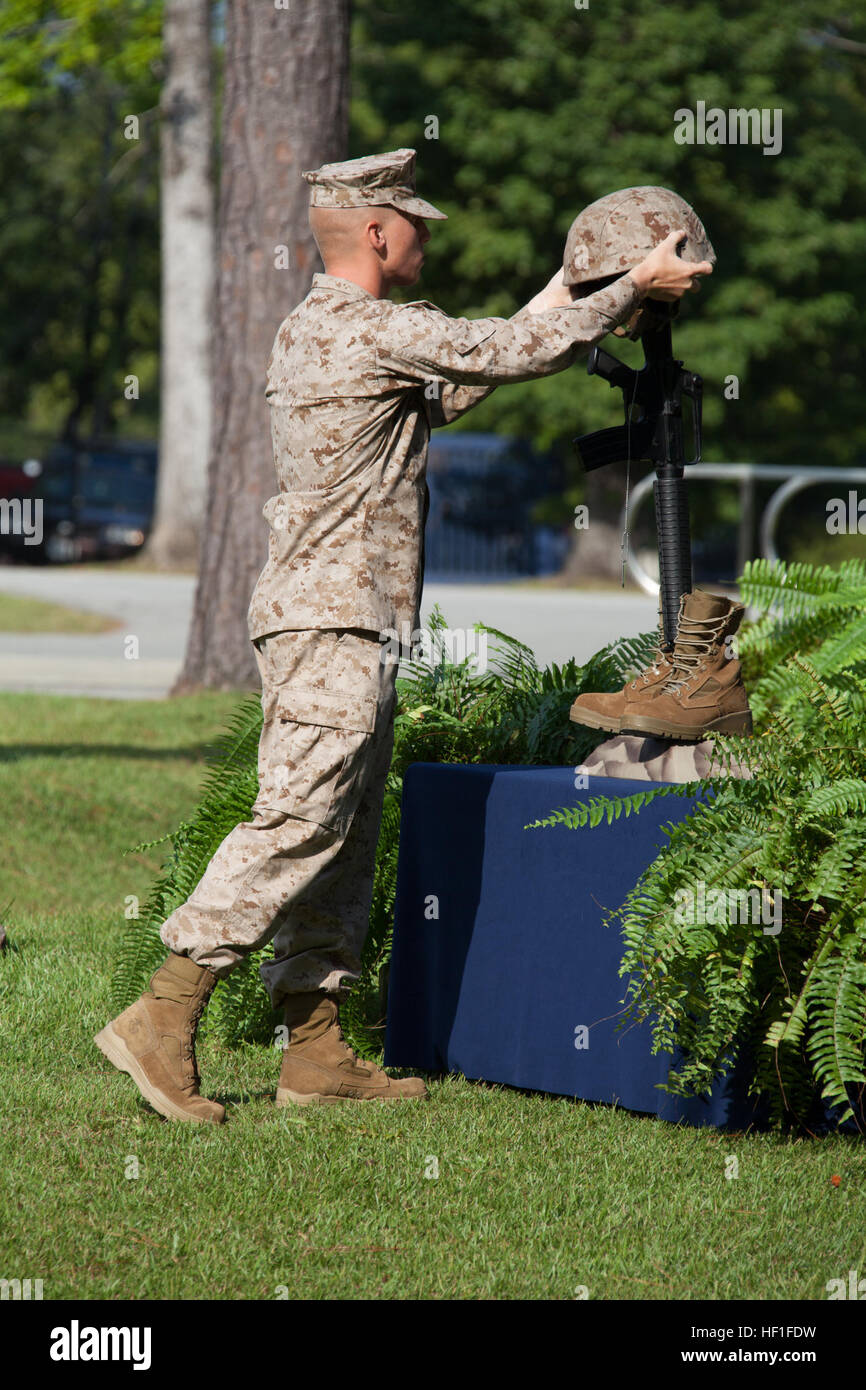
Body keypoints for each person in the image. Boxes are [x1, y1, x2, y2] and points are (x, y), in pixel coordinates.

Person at [94, 149, 711, 1123]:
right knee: (299, 817)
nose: (427, 233)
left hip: (350, 617)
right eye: (414, 221)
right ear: (377, 234)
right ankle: (163, 1012)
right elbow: (508, 355)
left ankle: (315, 1048)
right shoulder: (362, 328)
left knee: (341, 830)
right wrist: (630, 285)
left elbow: (470, 372)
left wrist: (571, 283)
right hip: (331, 614)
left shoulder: (331, 329)